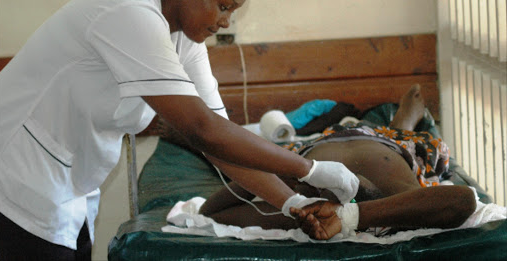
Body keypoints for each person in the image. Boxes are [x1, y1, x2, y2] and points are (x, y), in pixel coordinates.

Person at [0, 0, 360, 259]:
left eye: (232, 11)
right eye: (223, 5)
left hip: (66, 178)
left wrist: (292, 202)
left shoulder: (185, 41)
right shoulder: (129, 14)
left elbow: (220, 140)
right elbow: (204, 130)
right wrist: (309, 169)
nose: (225, 21)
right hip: (17, 165)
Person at [199, 84, 477, 240]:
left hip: (315, 149)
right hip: (387, 144)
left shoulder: (302, 211)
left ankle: (402, 116)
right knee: (400, 132)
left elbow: (210, 212)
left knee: (253, 150)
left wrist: (280, 173)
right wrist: (351, 217)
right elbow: (462, 200)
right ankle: (404, 117)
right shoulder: (402, 204)